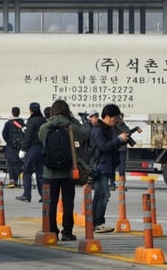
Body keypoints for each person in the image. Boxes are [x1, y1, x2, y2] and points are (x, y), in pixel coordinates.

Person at [38, 99, 89, 242]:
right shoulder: (71, 126)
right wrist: (73, 119)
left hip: (49, 171)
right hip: (68, 171)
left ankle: (52, 230)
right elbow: (85, 134)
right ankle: (67, 232)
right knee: (68, 203)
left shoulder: (45, 127)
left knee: (51, 203)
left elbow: (41, 139)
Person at [89, 103, 129, 234]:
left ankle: (93, 222)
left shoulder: (108, 129)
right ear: (106, 116)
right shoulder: (98, 129)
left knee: (99, 195)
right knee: (105, 195)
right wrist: (118, 139)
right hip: (99, 167)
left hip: (105, 166)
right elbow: (103, 147)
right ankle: (98, 223)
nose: (115, 121)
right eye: (114, 118)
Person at [17, 102, 46, 203]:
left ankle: (27, 195)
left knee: (27, 171)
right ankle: (43, 195)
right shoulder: (44, 120)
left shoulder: (32, 121)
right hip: (42, 149)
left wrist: (23, 148)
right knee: (40, 173)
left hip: (33, 148)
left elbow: (28, 136)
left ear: (31, 111)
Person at [2, 107, 25, 188]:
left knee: (10, 163)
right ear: (19, 113)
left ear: (12, 113)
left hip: (10, 146)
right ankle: (15, 180)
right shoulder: (22, 123)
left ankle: (12, 180)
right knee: (18, 163)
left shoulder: (8, 123)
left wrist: (9, 141)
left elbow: (4, 134)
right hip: (20, 146)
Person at [111, 112, 130, 191]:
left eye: (120, 118)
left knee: (122, 168)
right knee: (112, 168)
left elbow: (127, 133)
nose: (119, 119)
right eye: (118, 118)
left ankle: (122, 184)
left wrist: (119, 125)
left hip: (122, 149)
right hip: (114, 150)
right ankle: (112, 184)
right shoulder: (112, 126)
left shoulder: (124, 126)